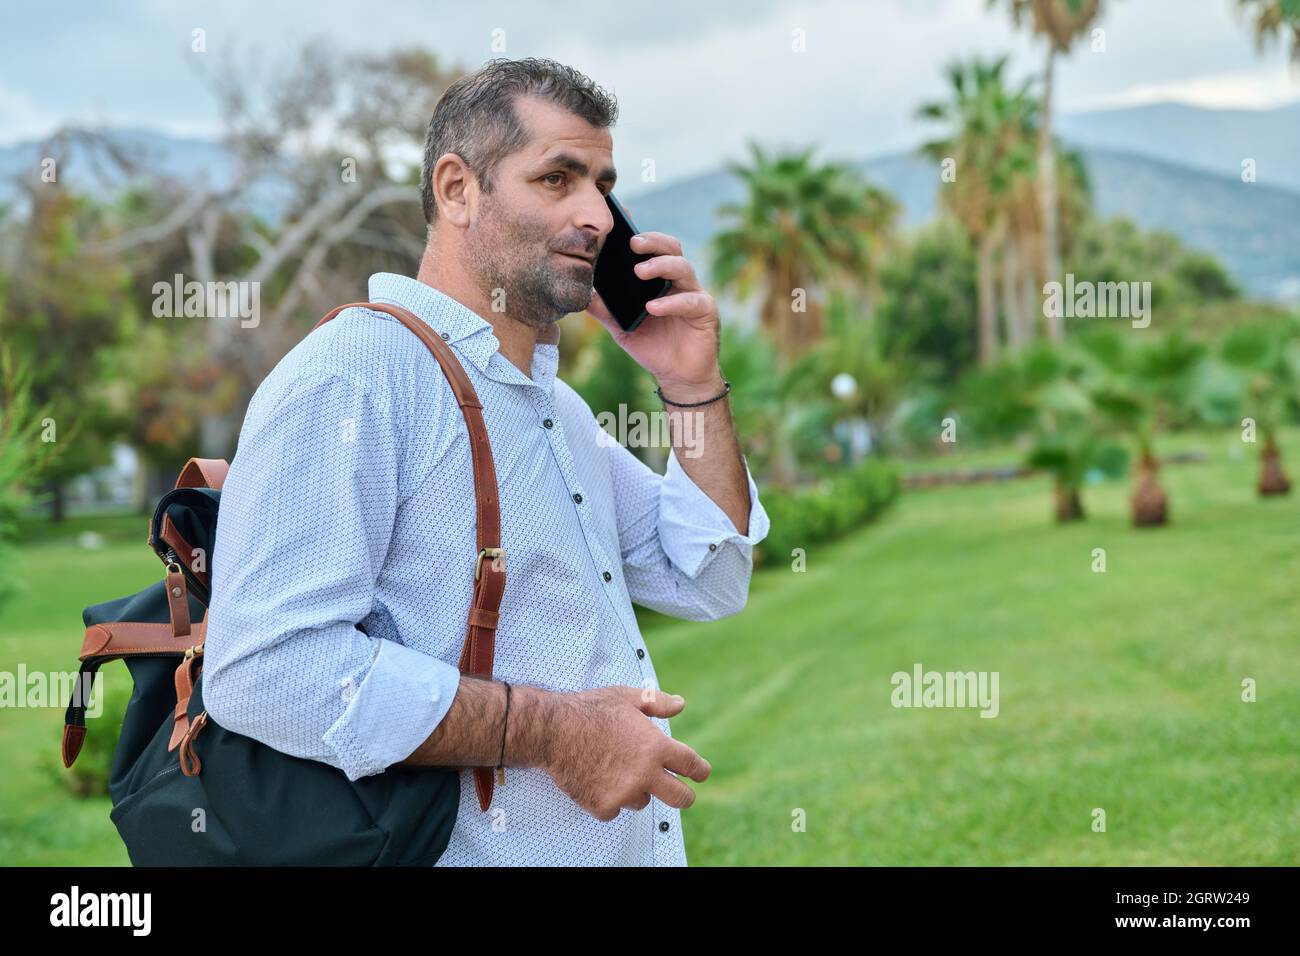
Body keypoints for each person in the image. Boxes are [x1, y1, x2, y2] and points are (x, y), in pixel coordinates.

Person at [203, 56, 771, 866]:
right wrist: (557, 734)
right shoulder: (354, 375)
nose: (597, 215)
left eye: (602, 183)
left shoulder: (556, 410)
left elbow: (708, 579)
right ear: (457, 188)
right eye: (556, 178)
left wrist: (691, 385)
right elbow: (266, 668)